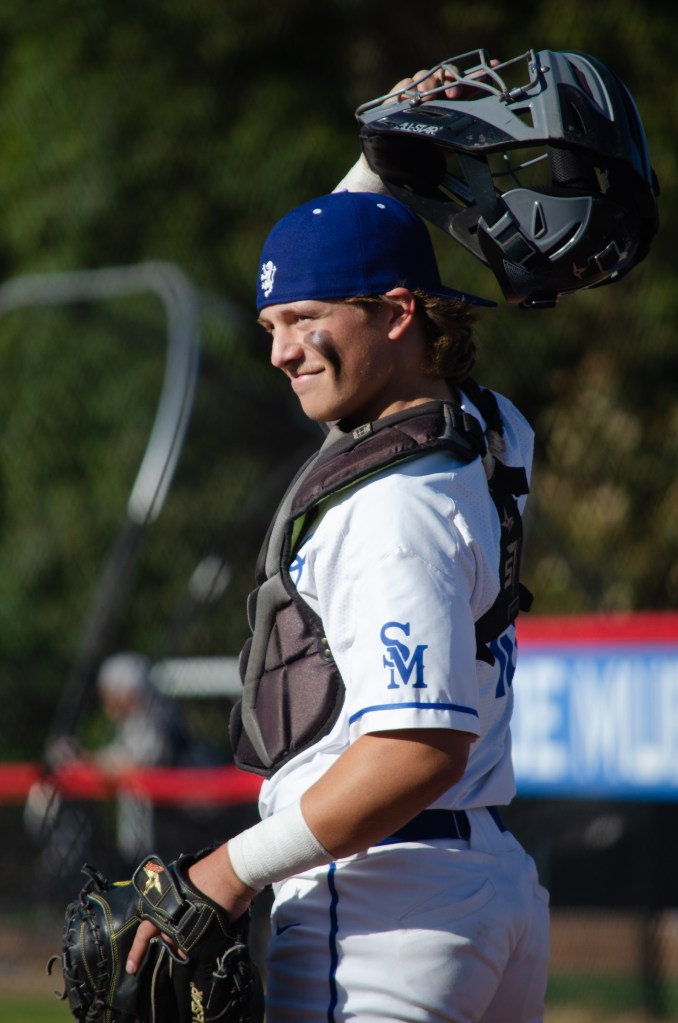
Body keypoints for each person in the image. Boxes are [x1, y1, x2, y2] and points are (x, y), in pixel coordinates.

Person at [127, 72, 550, 1023]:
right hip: (482, 886)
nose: (282, 350)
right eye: (273, 325)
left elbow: (416, 750)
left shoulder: (391, 507)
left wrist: (226, 872)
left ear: (399, 313)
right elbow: (349, 263)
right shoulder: (483, 427)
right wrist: (384, 155)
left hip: (381, 900)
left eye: (305, 321)